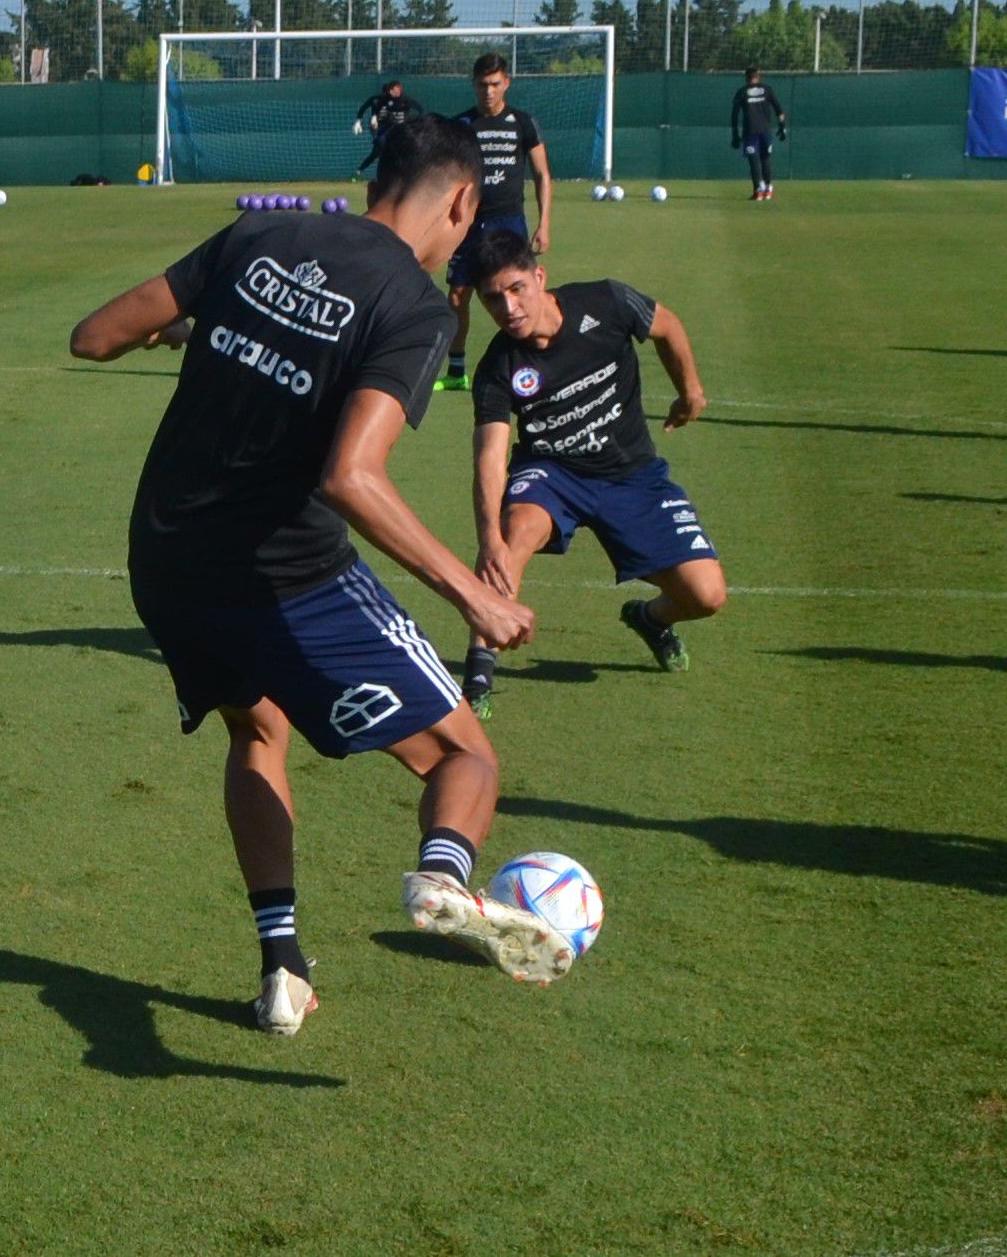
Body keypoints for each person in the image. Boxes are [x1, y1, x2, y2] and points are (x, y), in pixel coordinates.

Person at [68, 117, 572, 1038]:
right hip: (284, 571)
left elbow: (92, 336)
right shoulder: (412, 306)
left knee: (257, 729)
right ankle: (444, 875)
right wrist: (477, 593)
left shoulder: (262, 232)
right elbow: (352, 475)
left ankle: (282, 967)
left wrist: (203, 325)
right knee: (465, 756)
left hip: (168, 559)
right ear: (461, 203)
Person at [459, 231, 723, 720]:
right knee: (512, 534)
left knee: (707, 596)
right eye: (493, 299)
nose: (508, 307)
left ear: (540, 277)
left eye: (516, 288)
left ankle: (650, 617)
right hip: (552, 473)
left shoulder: (606, 302)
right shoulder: (498, 367)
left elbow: (667, 326)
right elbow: (491, 457)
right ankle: (477, 673)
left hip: (632, 473)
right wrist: (488, 537)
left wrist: (691, 391)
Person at [438, 53, 552, 392]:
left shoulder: (522, 122)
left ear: (506, 84)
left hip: (509, 224)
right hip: (469, 226)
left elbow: (543, 174)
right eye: (482, 85)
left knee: (518, 293)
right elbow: (448, 181)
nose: (488, 91)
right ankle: (457, 371)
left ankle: (532, 362)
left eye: (495, 84)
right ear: (473, 85)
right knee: (458, 296)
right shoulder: (461, 125)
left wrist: (544, 223)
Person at [731, 67, 788, 200]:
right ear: (758, 77)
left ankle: (758, 190)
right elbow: (779, 111)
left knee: (754, 160)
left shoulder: (742, 92)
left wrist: (735, 134)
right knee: (765, 159)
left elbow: (734, 114)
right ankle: (767, 189)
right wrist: (782, 127)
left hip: (750, 131)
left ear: (746, 78)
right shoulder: (767, 90)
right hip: (765, 131)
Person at [352, 77, 423, 178]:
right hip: (379, 127)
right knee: (378, 149)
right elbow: (364, 108)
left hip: (391, 126)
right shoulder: (376, 100)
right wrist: (359, 121)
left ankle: (403, 171)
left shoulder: (400, 102)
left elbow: (415, 109)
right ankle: (361, 170)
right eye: (387, 93)